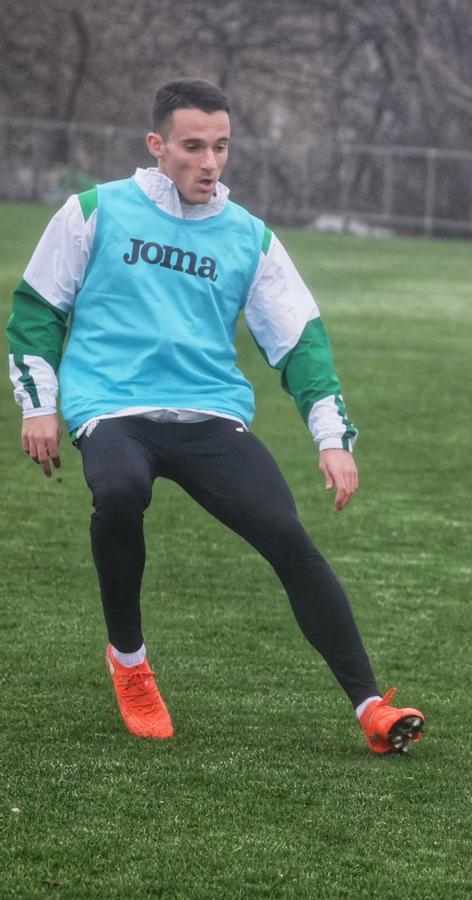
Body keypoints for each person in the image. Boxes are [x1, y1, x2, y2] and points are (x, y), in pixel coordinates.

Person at [6, 78, 425, 754]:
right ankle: (130, 662)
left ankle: (371, 706)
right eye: (194, 147)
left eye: (221, 147)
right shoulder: (94, 210)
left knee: (285, 533)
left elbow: (301, 341)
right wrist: (39, 406)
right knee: (120, 489)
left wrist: (332, 438)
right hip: (113, 406)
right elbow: (38, 310)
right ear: (158, 145)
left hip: (209, 414)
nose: (210, 162)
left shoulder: (249, 238)